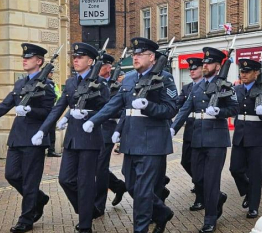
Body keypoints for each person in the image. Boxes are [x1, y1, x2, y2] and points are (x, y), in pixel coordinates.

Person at [84, 37, 177, 233]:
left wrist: (148, 106)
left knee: (143, 192)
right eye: (134, 54)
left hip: (153, 142)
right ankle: (162, 212)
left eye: (139, 54)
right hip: (131, 140)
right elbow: (114, 104)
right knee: (133, 185)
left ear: (152, 57)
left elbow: (171, 109)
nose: (134, 57)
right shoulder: (129, 79)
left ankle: (140, 229)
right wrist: (94, 120)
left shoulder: (165, 77)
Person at [0, 43, 55, 233]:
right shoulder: (21, 83)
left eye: (29, 57)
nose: (24, 60)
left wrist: (30, 110)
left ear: (39, 61)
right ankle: (39, 199)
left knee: (30, 181)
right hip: (17, 137)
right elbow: (6, 104)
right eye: (24, 57)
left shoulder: (47, 86)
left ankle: (26, 220)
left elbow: (50, 113)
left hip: (34, 138)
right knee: (11, 175)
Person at [33, 42, 110, 233]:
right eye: (74, 57)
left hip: (90, 139)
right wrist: (43, 130)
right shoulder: (71, 82)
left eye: (80, 57)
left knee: (85, 182)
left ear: (91, 61)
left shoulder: (100, 84)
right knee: (65, 179)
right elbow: (57, 109)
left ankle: (85, 225)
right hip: (72, 139)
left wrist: (89, 116)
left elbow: (108, 109)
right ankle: (89, 210)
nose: (75, 60)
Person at [172, 47, 237, 233]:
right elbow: (185, 109)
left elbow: (234, 108)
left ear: (218, 66)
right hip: (198, 138)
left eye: (208, 63)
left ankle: (209, 220)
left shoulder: (225, 85)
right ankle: (217, 198)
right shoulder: (197, 87)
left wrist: (220, 112)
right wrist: (172, 129)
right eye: (204, 62)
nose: (205, 65)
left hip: (216, 139)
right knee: (198, 177)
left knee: (210, 180)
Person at [229, 58, 262, 219]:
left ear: (256, 73)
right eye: (242, 71)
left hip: (257, 136)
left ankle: (254, 206)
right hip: (240, 135)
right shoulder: (237, 90)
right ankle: (249, 190)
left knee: (255, 173)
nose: (244, 74)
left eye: (247, 72)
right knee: (235, 169)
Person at [93, 53, 128, 214]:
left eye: (102, 66)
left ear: (109, 68)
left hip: (107, 131)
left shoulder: (118, 87)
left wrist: (109, 111)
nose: (98, 69)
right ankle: (118, 186)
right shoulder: (93, 84)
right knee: (95, 167)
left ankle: (99, 205)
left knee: (100, 168)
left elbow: (122, 110)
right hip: (92, 130)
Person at [178, 56, 204, 204]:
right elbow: (178, 104)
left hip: (202, 129)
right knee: (185, 161)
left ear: (202, 69)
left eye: (195, 69)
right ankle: (200, 182)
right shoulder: (187, 88)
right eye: (190, 69)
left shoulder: (208, 86)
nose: (192, 71)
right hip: (189, 129)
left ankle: (200, 196)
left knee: (197, 164)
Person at [46, 68, 62, 158]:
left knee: (51, 131)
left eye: (52, 73)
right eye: (50, 73)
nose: (51, 74)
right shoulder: (46, 83)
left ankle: (51, 150)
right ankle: (49, 150)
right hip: (48, 110)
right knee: (49, 131)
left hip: (52, 109)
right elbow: (57, 95)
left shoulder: (52, 83)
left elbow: (58, 95)